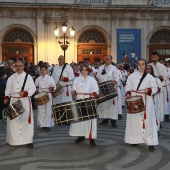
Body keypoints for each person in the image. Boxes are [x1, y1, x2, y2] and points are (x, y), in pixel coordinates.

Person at [125, 59, 159, 152]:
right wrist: (128, 93)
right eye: (139, 64)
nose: (141, 66)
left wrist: (149, 90)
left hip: (146, 100)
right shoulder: (131, 76)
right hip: (134, 99)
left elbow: (155, 88)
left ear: (145, 66)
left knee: (148, 121)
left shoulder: (150, 77)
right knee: (134, 121)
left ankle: (150, 142)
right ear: (137, 65)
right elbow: (128, 86)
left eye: (143, 64)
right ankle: (135, 139)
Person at [4, 60, 36, 148]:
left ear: (23, 66)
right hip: (14, 101)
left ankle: (28, 140)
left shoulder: (28, 77)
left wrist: (25, 93)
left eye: (20, 65)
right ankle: (14, 140)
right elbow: (8, 89)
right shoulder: (11, 77)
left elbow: (33, 89)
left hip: (24, 101)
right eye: (16, 66)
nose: (18, 67)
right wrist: (6, 97)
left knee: (25, 121)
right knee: (13, 121)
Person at [69, 64, 99, 146]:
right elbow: (73, 89)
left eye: (86, 70)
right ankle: (80, 135)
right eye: (83, 70)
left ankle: (91, 138)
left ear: (88, 71)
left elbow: (96, 90)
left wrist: (94, 96)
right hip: (79, 100)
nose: (84, 71)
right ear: (80, 71)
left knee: (90, 120)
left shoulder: (92, 80)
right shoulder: (76, 80)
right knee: (80, 119)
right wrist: (74, 93)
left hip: (89, 101)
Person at [97, 55, 119, 127]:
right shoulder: (100, 68)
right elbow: (98, 77)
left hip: (110, 88)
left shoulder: (114, 68)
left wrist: (114, 82)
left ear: (111, 60)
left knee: (112, 105)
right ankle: (105, 119)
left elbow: (117, 77)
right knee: (103, 104)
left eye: (108, 59)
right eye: (105, 59)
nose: (106, 60)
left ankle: (113, 121)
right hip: (102, 88)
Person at [35, 65, 56, 131]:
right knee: (41, 110)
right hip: (40, 95)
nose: (42, 71)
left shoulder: (50, 78)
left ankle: (47, 125)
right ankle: (42, 124)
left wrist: (51, 88)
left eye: (44, 69)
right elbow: (36, 86)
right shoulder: (38, 79)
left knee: (48, 110)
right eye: (41, 70)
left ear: (46, 70)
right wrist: (36, 88)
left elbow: (54, 86)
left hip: (48, 95)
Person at [150, 52, 168, 121]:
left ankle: (158, 120)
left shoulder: (162, 67)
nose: (153, 58)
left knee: (159, 105)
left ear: (158, 57)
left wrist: (159, 78)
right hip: (151, 88)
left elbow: (165, 77)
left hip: (159, 88)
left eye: (155, 57)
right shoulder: (149, 65)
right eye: (152, 57)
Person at [146, 64, 163, 136]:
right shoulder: (142, 79)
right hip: (146, 99)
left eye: (149, 68)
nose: (148, 70)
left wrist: (154, 90)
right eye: (146, 68)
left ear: (152, 70)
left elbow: (160, 89)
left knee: (156, 114)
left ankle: (156, 129)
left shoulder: (156, 79)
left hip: (155, 98)